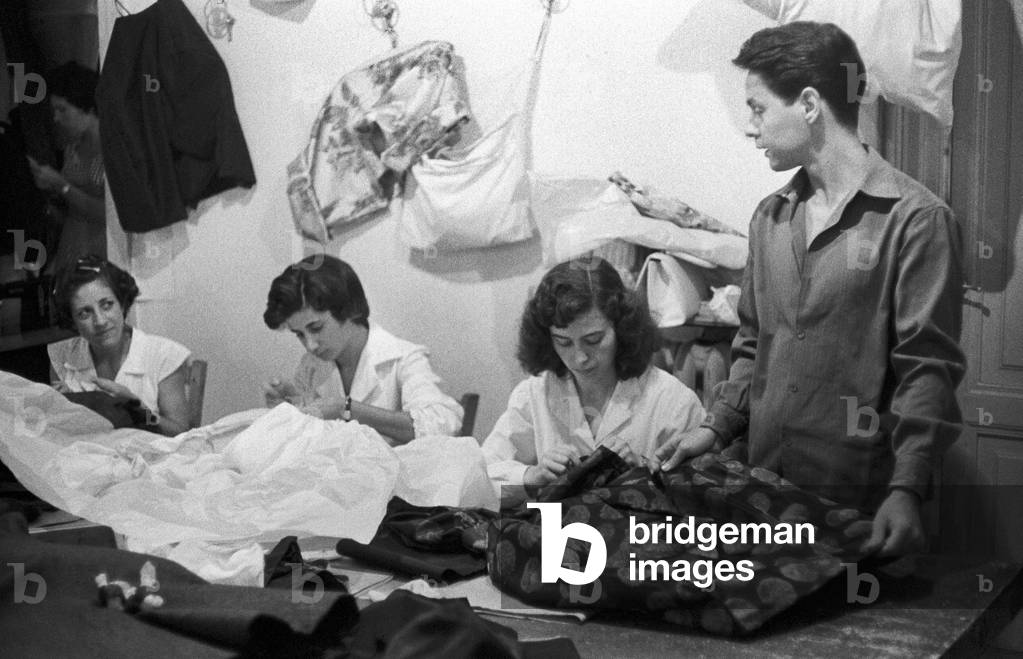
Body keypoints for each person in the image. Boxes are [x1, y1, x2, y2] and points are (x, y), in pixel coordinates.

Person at [652, 22, 966, 557]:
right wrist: (713, 428)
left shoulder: (916, 221)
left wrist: (907, 489)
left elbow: (926, 370)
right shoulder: (770, 219)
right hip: (763, 499)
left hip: (859, 505)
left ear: (809, 104)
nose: (750, 128)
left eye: (757, 108)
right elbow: (754, 343)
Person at [482, 258, 705, 507]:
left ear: (622, 328)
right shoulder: (534, 394)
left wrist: (640, 476)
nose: (579, 357)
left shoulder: (673, 401)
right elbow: (480, 478)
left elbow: (704, 499)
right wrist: (531, 477)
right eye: (563, 342)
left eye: (594, 339)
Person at [262, 255, 463, 444]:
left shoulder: (404, 359)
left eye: (316, 328)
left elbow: (441, 425)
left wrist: (347, 409)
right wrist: (289, 407)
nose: (310, 345)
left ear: (349, 309)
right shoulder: (311, 366)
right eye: (299, 334)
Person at [48, 255, 191, 436]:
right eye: (84, 313)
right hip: (90, 458)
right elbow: (60, 431)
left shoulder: (164, 355)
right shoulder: (62, 356)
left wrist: (137, 409)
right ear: (72, 321)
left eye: (107, 305)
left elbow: (179, 433)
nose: (100, 321)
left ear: (122, 304)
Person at [27, 61, 106, 277]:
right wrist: (50, 192)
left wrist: (61, 185)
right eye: (54, 110)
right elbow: (70, 213)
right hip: (70, 253)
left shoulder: (113, 152)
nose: (56, 118)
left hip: (101, 258)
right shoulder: (72, 150)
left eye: (63, 110)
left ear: (88, 108)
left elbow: (109, 215)